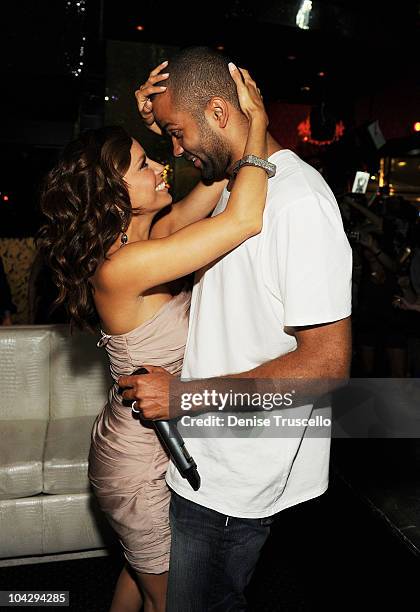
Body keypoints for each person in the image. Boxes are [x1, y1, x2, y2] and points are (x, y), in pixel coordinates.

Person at [120, 46, 352, 612]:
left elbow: (326, 364)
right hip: (204, 454)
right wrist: (161, 125)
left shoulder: (299, 203)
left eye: (178, 134)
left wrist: (183, 398)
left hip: (235, 475)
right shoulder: (235, 184)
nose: (174, 150)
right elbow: (156, 222)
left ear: (221, 115)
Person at [37, 63, 269, 612]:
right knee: (172, 600)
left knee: (139, 576)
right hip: (138, 460)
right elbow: (243, 218)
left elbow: (214, 176)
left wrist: (168, 125)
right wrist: (255, 125)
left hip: (150, 441)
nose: (162, 166)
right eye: (144, 165)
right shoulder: (122, 268)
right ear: (115, 193)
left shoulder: (152, 237)